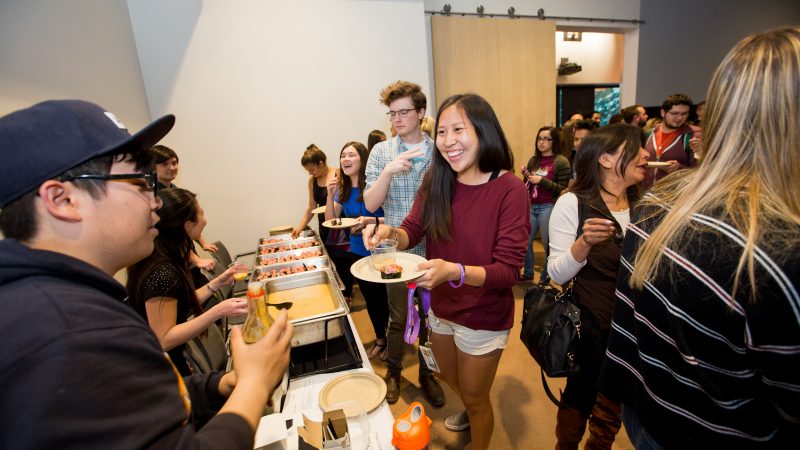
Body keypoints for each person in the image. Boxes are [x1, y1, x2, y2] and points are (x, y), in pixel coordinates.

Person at [0, 99, 293, 448]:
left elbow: (141, 399)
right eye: (140, 183)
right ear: (63, 200)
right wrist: (255, 386)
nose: (155, 201)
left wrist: (222, 384)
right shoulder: (64, 332)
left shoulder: (70, 300)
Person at [599, 27, 800, 449]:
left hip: (649, 412)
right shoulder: (781, 252)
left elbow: (627, 323)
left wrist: (618, 397)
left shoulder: (657, 201)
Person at [367, 93, 529, 450]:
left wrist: (454, 270)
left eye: (459, 129)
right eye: (442, 131)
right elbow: (412, 228)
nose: (448, 141)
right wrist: (389, 234)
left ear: (484, 132)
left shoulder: (509, 189)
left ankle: (476, 415)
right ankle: (472, 409)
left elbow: (508, 271)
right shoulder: (438, 178)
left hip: (483, 313)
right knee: (442, 372)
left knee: (475, 397)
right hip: (441, 306)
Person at [547, 123, 649, 449]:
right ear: (605, 159)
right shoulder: (573, 203)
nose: (646, 156)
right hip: (592, 324)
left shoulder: (646, 205)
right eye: (635, 150)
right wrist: (583, 244)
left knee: (615, 400)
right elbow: (557, 273)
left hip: (634, 327)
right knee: (581, 395)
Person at [362, 80, 444, 407]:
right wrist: (388, 172)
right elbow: (369, 204)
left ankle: (427, 375)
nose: (397, 119)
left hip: (433, 249)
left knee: (430, 316)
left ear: (421, 113)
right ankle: (394, 372)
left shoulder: (438, 150)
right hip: (394, 248)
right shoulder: (382, 152)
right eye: (392, 113)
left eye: (404, 112)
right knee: (398, 317)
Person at [127, 187, 249, 376]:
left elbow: (181, 303)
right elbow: (164, 338)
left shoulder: (167, 257)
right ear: (187, 226)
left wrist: (215, 283)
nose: (205, 220)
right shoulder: (162, 273)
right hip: (166, 371)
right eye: (201, 214)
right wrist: (219, 310)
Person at [325, 142, 389, 359]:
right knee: (371, 299)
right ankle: (381, 339)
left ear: (363, 159)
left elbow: (392, 218)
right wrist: (329, 194)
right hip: (357, 251)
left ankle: (393, 339)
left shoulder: (374, 186)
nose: (345, 159)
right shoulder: (342, 190)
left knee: (386, 298)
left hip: (381, 250)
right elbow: (331, 221)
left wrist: (371, 220)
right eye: (343, 155)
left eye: (351, 155)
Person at [291, 144, 354, 299]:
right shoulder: (312, 182)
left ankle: (347, 294)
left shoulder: (338, 174)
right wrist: (300, 227)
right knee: (332, 259)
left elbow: (345, 199)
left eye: (311, 169)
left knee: (344, 261)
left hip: (340, 225)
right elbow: (311, 207)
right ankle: (344, 290)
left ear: (321, 163)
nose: (310, 173)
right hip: (324, 226)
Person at [149, 144, 218, 271]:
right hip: (174, 258)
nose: (172, 168)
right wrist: (196, 260)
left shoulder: (172, 189)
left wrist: (203, 243)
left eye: (174, 163)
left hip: (186, 252)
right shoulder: (156, 196)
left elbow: (188, 221)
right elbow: (170, 235)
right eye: (164, 164)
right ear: (153, 167)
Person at [521, 126, 570, 282]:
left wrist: (542, 181)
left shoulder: (561, 161)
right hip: (532, 205)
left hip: (549, 206)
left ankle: (545, 277)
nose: (541, 142)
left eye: (546, 139)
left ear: (554, 141)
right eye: (539, 138)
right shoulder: (533, 160)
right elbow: (527, 184)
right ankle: (528, 273)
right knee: (525, 242)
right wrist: (527, 176)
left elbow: (562, 189)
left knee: (547, 244)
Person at [640, 93, 701, 190]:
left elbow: (701, 171)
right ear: (663, 113)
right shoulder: (649, 134)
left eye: (684, 114)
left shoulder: (694, 134)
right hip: (647, 193)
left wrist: (679, 169)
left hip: (674, 195)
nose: (680, 118)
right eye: (675, 113)